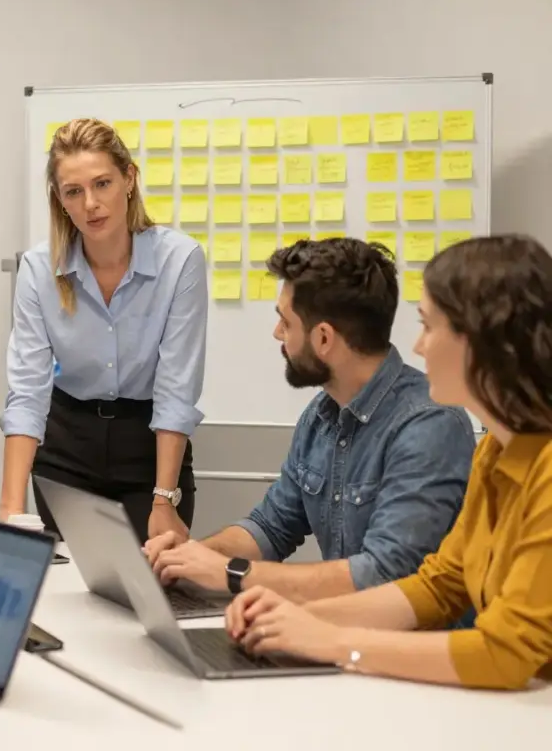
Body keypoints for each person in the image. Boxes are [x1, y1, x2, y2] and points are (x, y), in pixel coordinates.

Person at [225, 234, 552, 690]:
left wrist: (332, 641)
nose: (417, 346)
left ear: (482, 342)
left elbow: (504, 652)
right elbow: (439, 585)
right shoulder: (496, 451)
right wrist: (293, 617)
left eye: (430, 326)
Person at [146, 238, 475, 603]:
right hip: (345, 634)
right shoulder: (321, 416)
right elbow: (270, 528)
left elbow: (384, 575)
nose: (277, 334)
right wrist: (186, 559)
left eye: (285, 322)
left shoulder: (429, 426)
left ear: (323, 338)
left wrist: (230, 573)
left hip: (409, 650)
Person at [0, 117, 208, 542]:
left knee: (147, 587)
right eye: (74, 191)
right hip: (67, 449)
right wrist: (10, 508)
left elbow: (176, 388)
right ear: (60, 199)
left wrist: (164, 499)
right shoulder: (40, 270)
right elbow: (28, 390)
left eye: (103, 184)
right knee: (64, 591)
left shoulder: (180, 261)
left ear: (129, 179)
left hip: (148, 450)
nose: (91, 203)